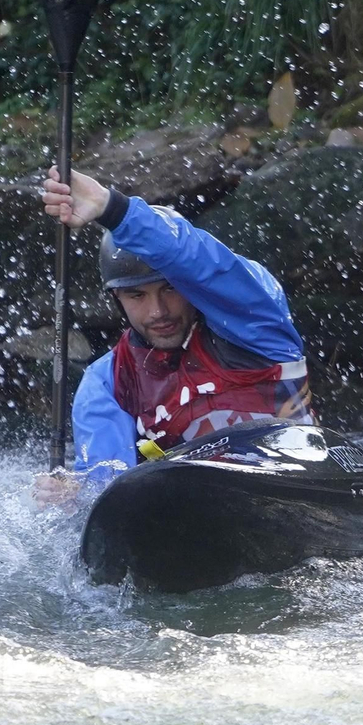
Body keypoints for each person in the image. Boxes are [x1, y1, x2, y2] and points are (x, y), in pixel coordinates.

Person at [35, 165, 313, 505]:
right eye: (137, 296)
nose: (157, 311)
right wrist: (76, 499)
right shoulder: (108, 381)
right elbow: (110, 489)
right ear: (116, 300)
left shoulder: (255, 322)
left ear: (189, 285)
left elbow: (201, 261)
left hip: (295, 484)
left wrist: (112, 209)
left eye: (169, 289)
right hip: (201, 514)